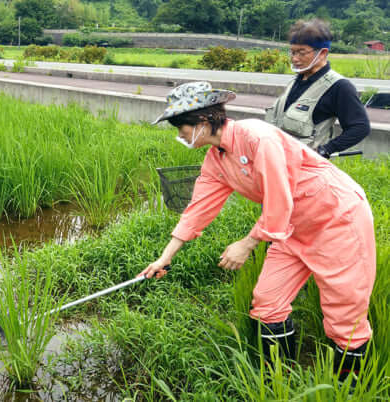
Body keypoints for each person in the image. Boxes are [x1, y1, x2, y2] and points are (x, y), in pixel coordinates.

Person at [141, 81, 376, 383]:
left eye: (181, 128)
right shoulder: (218, 158)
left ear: (201, 122)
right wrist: (164, 258)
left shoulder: (257, 137)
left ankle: (349, 390)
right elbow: (197, 210)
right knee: (267, 302)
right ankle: (278, 381)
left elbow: (280, 198)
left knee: (345, 314)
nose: (180, 136)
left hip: (336, 219)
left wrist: (248, 243)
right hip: (290, 227)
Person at [265, 19, 370, 158]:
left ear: (322, 53)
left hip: (305, 168)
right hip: (276, 160)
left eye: (301, 53)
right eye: (292, 52)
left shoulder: (339, 87)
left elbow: (360, 127)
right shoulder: (296, 80)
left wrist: (326, 149)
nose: (295, 59)